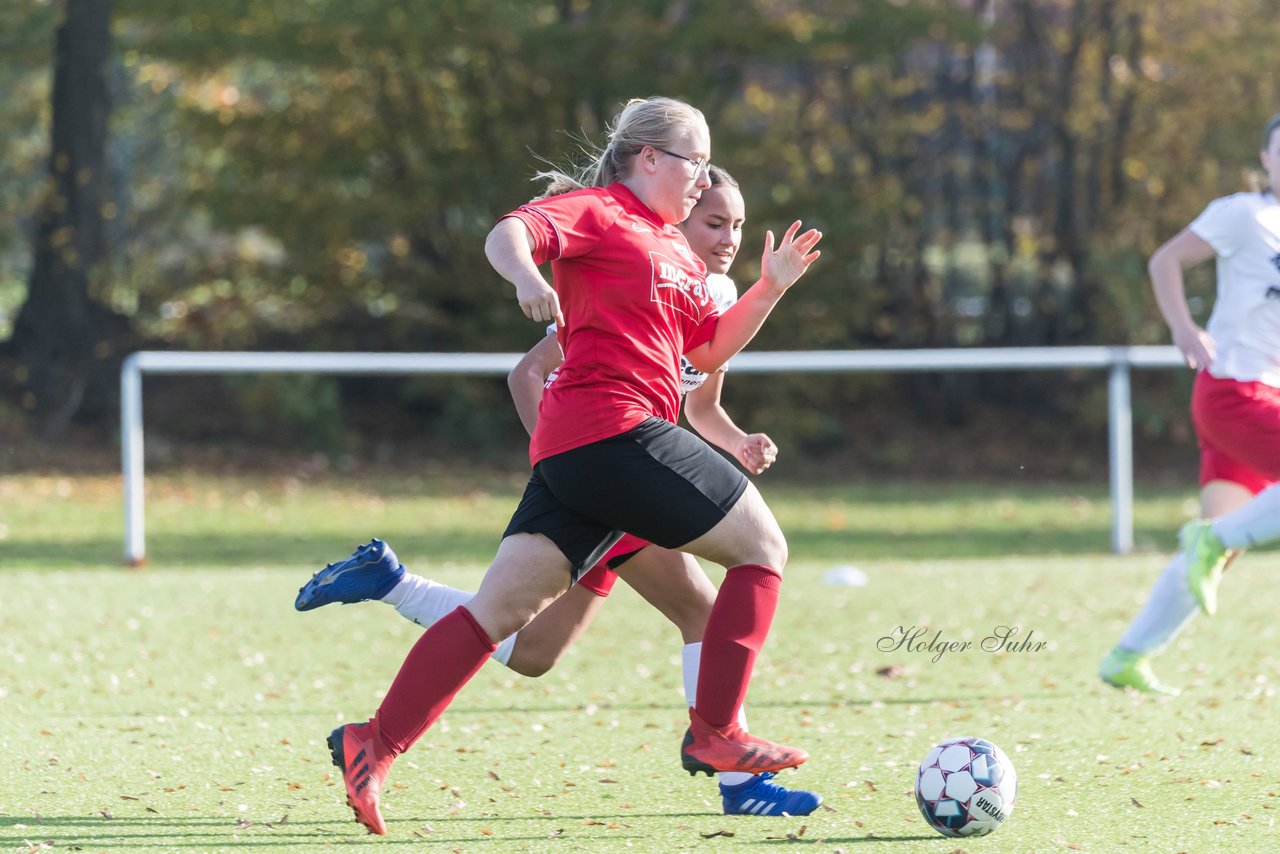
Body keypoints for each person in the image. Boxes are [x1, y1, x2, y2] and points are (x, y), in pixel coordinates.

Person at [305, 96, 823, 835]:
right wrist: (524, 276)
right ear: (649, 159)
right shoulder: (601, 211)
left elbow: (704, 354)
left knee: (507, 620)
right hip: (613, 433)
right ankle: (718, 734)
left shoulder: (674, 249)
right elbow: (509, 232)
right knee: (762, 549)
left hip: (577, 453)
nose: (703, 179)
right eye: (695, 163)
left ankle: (374, 743)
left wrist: (771, 287)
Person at [1100, 113, 1280, 695]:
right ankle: (1214, 539)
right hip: (1233, 391)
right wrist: (1182, 326)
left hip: (1263, 393)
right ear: (1265, 158)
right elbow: (1165, 260)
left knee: (1217, 546)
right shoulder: (1245, 213)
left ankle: (1128, 657)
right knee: (1219, 540)